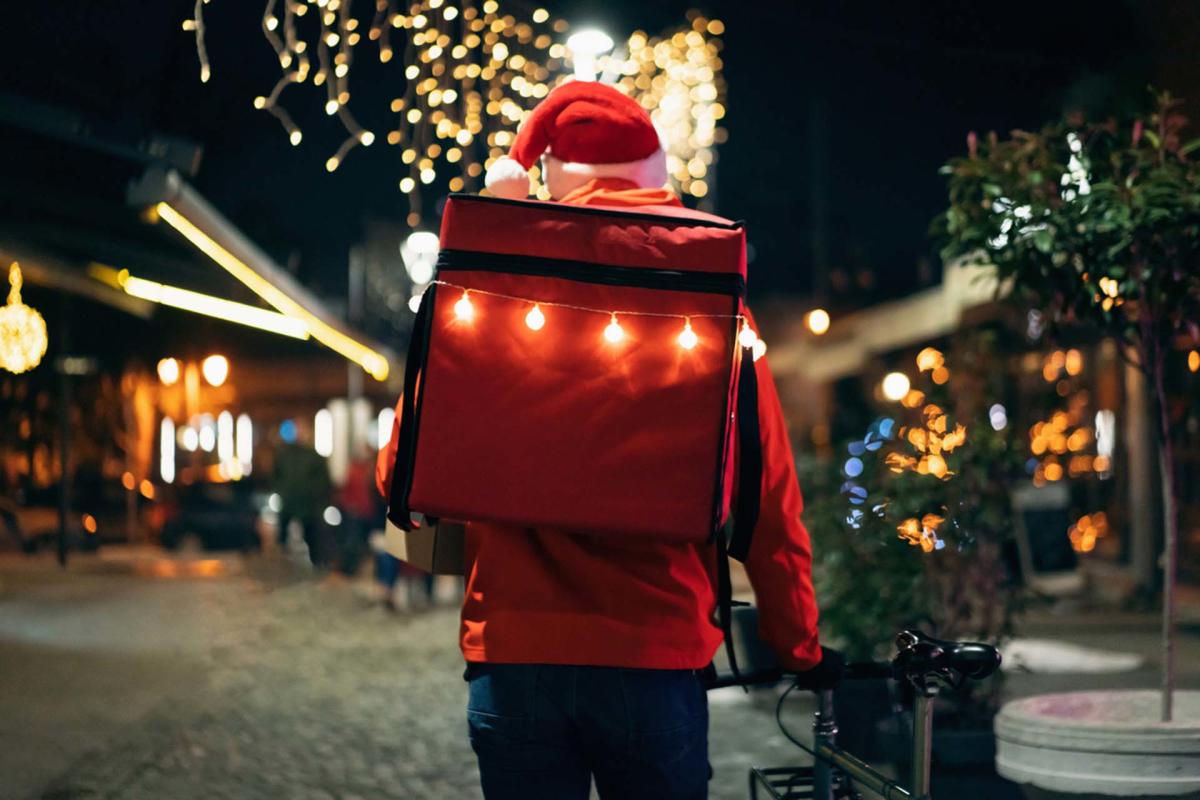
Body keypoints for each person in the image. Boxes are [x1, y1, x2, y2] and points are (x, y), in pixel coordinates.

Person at [377, 82, 826, 800]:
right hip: (655, 656)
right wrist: (797, 644)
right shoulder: (709, 303)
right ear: (655, 176)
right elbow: (769, 495)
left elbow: (399, 470)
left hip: (515, 657)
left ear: (544, 180)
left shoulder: (495, 293)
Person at [272, 418, 332, 569]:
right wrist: (282, 492)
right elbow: (276, 476)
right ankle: (283, 562)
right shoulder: (285, 455)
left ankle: (317, 564)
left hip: (308, 505)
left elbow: (323, 480)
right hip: (289, 503)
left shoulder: (314, 457)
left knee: (311, 534)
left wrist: (314, 494)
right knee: (283, 534)